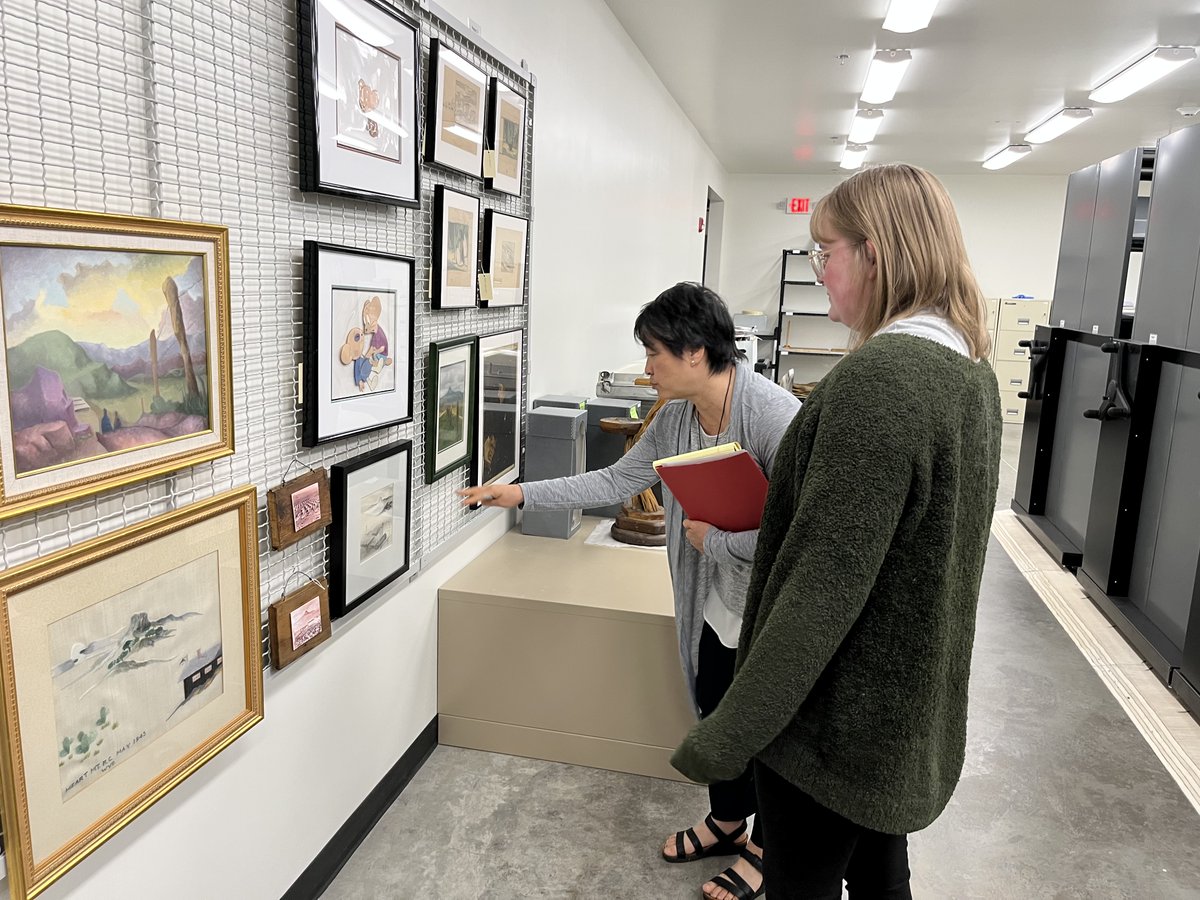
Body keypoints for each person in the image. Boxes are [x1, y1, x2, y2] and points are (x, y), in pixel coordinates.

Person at [669, 163, 1002, 898]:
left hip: (835, 723)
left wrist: (729, 733)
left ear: (875, 254)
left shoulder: (882, 381)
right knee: (882, 875)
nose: (821, 272)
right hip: (900, 709)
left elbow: (823, 585)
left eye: (828, 252)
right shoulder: (970, 372)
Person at [459, 282, 799, 900]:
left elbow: (800, 533)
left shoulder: (776, 418)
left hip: (773, 607)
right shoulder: (673, 419)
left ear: (695, 351)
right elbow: (618, 478)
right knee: (714, 708)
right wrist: (523, 494)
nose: (645, 368)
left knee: (768, 728)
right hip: (714, 599)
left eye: (653, 353)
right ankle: (727, 821)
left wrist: (715, 543)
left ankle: (766, 846)